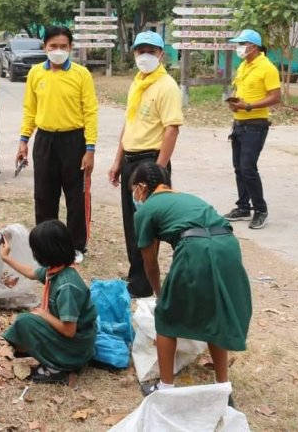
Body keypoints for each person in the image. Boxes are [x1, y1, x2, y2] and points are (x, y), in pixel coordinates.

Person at [130, 162, 251, 403]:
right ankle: (222, 388)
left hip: (195, 250)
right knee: (215, 314)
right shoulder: (187, 199)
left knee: (166, 317)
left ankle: (165, 390)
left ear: (142, 187)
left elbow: (150, 263)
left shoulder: (146, 210)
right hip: (228, 247)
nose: (134, 195)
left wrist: (160, 294)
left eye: (134, 189)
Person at [108, 31, 183, 299]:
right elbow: (129, 123)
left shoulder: (166, 86)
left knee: (148, 224)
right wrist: (118, 160)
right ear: (134, 53)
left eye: (152, 51)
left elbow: (171, 130)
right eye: (141, 51)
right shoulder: (137, 83)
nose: (146, 56)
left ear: (162, 54)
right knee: (132, 222)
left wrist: (158, 172)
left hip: (150, 162)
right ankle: (136, 276)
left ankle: (145, 283)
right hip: (131, 161)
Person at [16, 26, 97, 260]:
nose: (58, 51)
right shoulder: (35, 73)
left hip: (75, 140)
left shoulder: (81, 74)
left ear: (71, 48)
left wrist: (90, 148)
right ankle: (45, 245)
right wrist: (24, 140)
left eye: (63, 46)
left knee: (75, 196)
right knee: (44, 195)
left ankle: (76, 246)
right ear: (45, 48)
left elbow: (90, 111)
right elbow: (29, 109)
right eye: (53, 46)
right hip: (44, 140)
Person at [1, 220, 97, 384]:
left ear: (46, 253)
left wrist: (44, 315)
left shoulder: (67, 287)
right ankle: (43, 350)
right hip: (75, 343)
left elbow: (69, 331)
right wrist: (5, 258)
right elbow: (31, 273)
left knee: (26, 320)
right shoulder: (57, 269)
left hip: (76, 350)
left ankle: (57, 368)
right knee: (31, 318)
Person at [223, 29, 281, 230]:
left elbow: (275, 97)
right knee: (239, 168)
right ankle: (243, 207)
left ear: (254, 46)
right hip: (238, 123)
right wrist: (234, 101)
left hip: (256, 125)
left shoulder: (268, 68)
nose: (239, 48)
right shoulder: (243, 66)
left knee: (248, 168)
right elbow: (239, 89)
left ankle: (260, 210)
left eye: (242, 44)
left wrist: (248, 106)